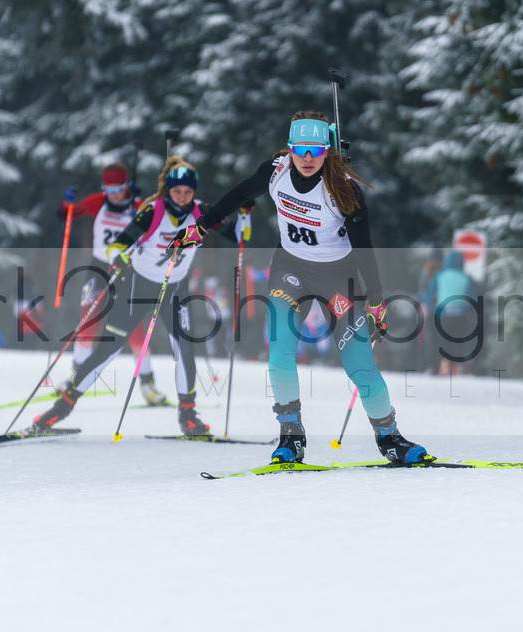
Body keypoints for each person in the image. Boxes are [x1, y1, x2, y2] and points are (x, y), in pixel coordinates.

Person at [169, 111, 431, 465]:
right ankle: (291, 437)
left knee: (360, 365)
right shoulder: (276, 172)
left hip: (339, 278)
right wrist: (201, 227)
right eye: (300, 150)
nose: (307, 159)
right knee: (279, 354)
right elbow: (238, 194)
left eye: (316, 151)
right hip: (290, 271)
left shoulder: (343, 188)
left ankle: (390, 438)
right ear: (290, 149)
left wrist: (376, 301)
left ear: (326, 151)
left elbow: (365, 249)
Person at [33, 157, 217, 436]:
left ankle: (188, 415)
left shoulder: (202, 212)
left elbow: (229, 222)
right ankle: (61, 408)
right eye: (176, 191)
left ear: (194, 193)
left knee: (185, 349)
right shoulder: (151, 211)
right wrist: (116, 256)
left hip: (175, 289)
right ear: (167, 190)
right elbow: (121, 242)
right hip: (140, 286)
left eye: (187, 192)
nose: (182, 197)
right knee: (109, 347)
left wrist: (242, 219)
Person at [56, 163, 167, 405]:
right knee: (87, 321)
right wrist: (68, 203)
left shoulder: (139, 206)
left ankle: (148, 383)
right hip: (98, 270)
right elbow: (67, 215)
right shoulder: (99, 201)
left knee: (135, 330)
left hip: (128, 272)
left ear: (127, 185)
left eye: (118, 187)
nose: (113, 193)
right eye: (108, 187)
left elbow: (160, 223)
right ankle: (76, 376)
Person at [422, 250, 476, 376]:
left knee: (441, 341)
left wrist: (428, 306)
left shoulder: (440, 275)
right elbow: (471, 298)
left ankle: (442, 365)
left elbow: (429, 293)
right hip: (460, 315)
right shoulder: (466, 278)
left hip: (442, 314)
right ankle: (455, 367)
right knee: (456, 341)